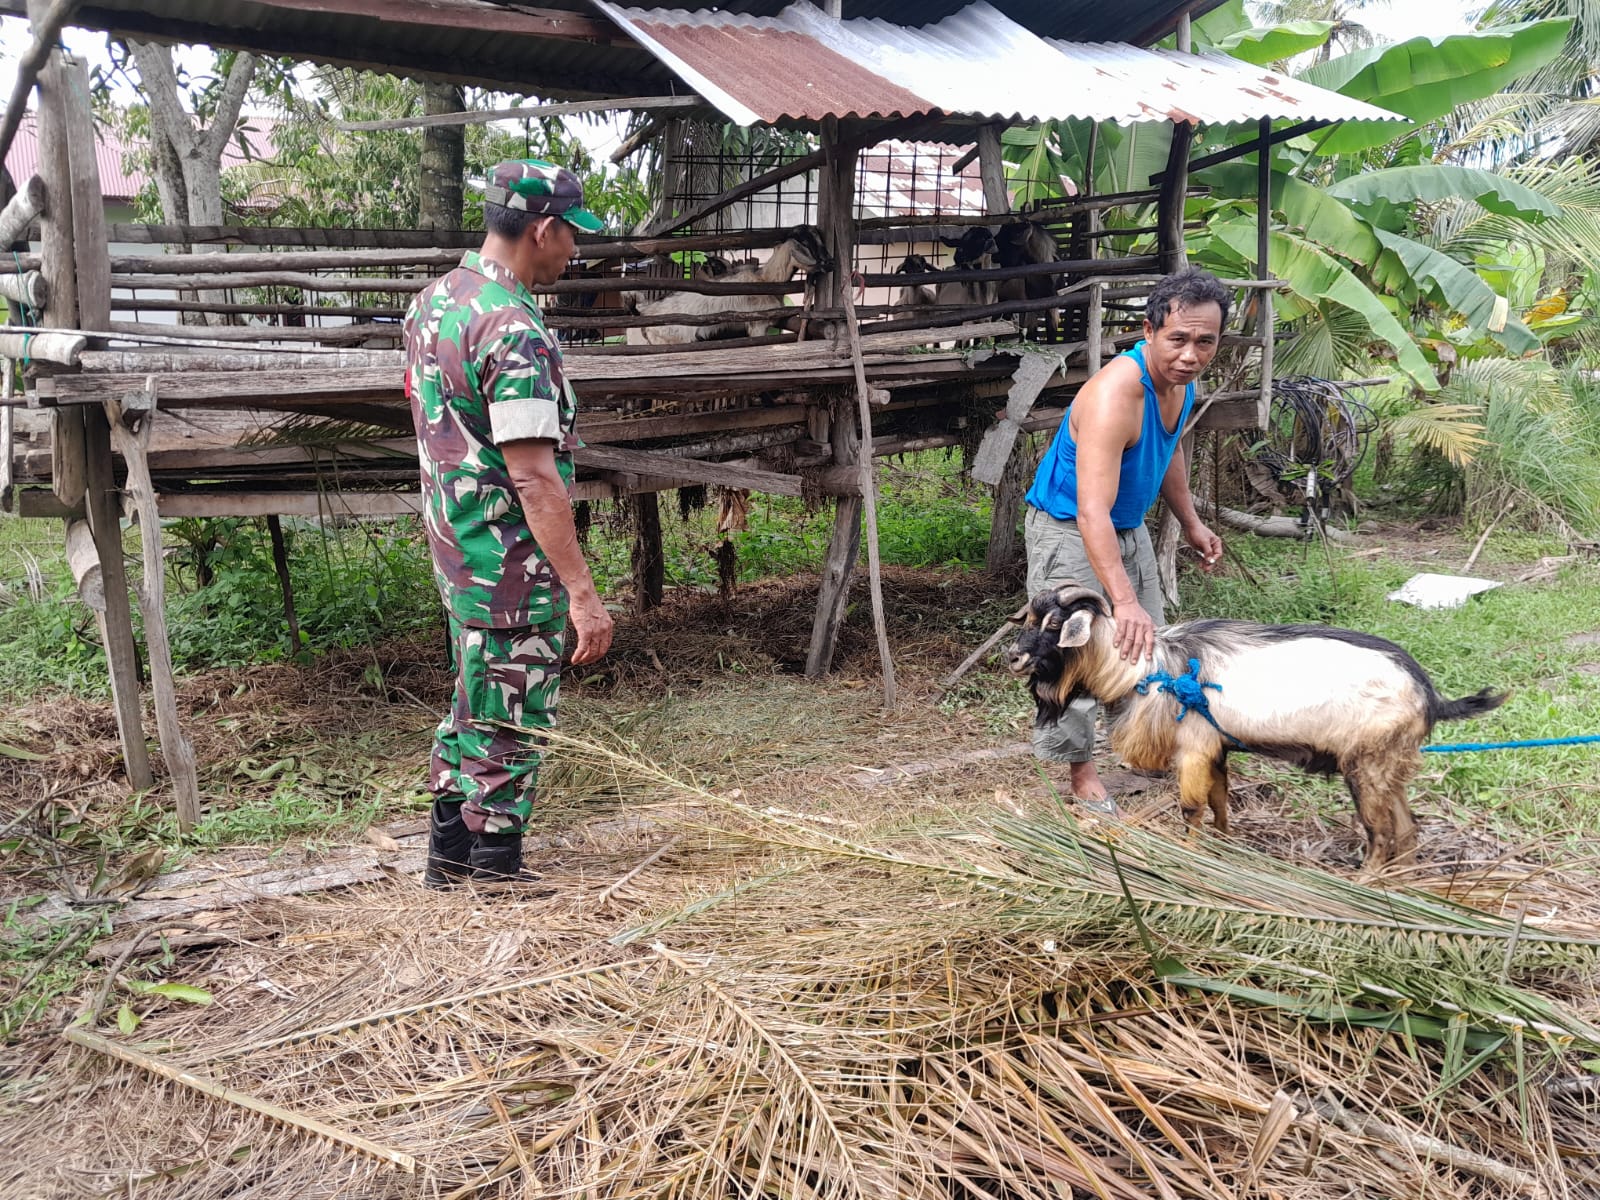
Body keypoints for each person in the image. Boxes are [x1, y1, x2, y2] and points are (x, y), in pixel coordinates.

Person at [404, 159, 614, 886]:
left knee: (473, 694)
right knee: (512, 710)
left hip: (455, 543)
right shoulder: (513, 330)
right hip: (508, 557)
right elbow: (531, 472)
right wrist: (582, 593)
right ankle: (494, 867)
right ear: (543, 229)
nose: (573, 253)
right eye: (571, 238)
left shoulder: (435, 302)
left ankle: (446, 855)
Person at [1022, 266, 1230, 815]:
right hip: (1071, 530)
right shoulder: (1117, 394)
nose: (1190, 353)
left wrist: (1190, 522)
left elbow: (1169, 456)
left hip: (1125, 527)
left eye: (1204, 342)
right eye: (1178, 339)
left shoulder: (1179, 387)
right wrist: (1124, 599)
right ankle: (1082, 776)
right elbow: (1091, 510)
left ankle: (1144, 749)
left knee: (1148, 648)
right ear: (1149, 331)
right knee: (1073, 656)